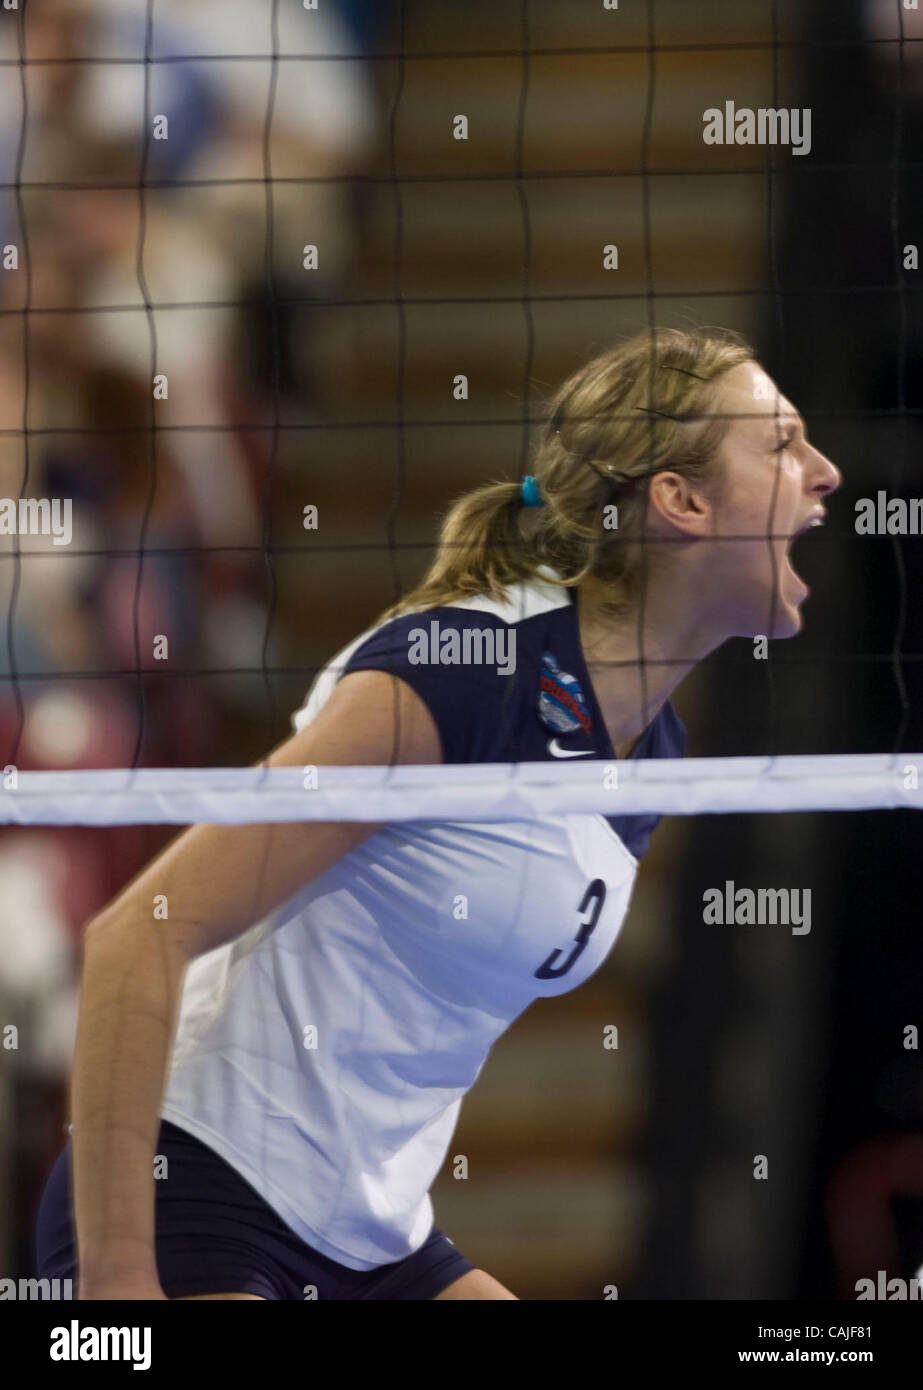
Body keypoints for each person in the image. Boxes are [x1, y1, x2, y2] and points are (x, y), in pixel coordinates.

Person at [33, 326, 841, 1300]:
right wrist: (119, 1281)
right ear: (678, 500)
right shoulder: (465, 672)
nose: (825, 471)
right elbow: (136, 934)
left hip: (373, 1230)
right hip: (201, 1185)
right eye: (781, 442)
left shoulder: (652, 755)